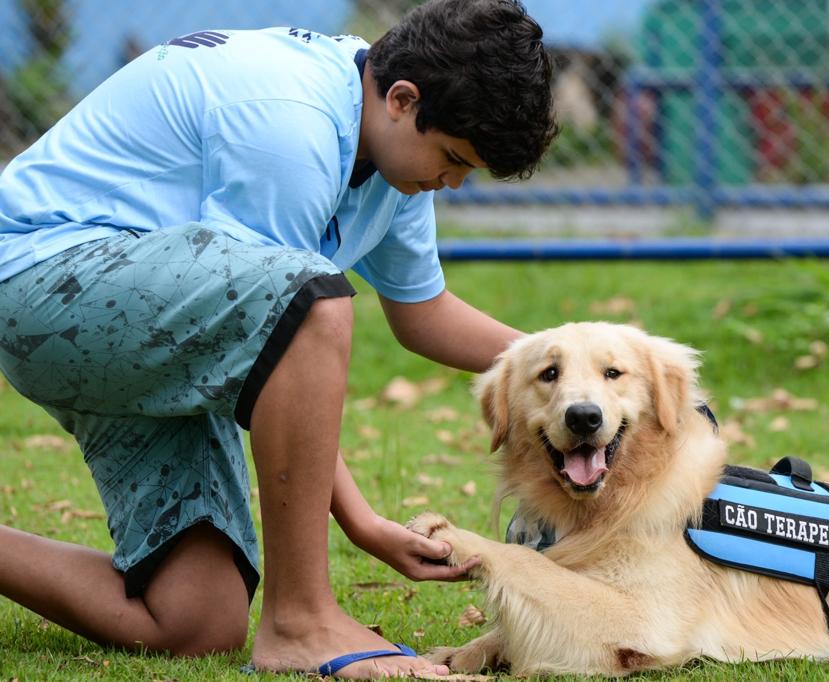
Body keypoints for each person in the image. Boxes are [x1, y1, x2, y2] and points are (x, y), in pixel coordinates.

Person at [0, 0, 556, 677]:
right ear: (403, 100)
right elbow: (288, 321)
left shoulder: (393, 159)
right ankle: (300, 622)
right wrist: (360, 522)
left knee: (196, 618)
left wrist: (580, 362)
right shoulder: (289, 122)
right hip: (44, 290)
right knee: (315, 299)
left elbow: (424, 314)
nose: (453, 182)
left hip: (145, 324)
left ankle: (287, 620)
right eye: (453, 159)